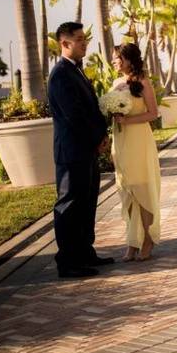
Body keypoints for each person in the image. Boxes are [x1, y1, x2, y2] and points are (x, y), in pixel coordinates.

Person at [47, 21, 112, 279]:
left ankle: (85, 253)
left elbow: (91, 109)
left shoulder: (77, 70)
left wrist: (101, 135)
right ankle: (68, 261)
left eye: (85, 38)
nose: (85, 42)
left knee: (87, 203)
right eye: (79, 39)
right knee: (69, 206)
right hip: (72, 152)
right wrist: (97, 137)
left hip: (86, 150)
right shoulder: (61, 74)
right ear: (65, 43)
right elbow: (73, 115)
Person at [110, 43, 161, 262]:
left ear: (128, 59)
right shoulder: (115, 83)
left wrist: (127, 119)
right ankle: (132, 242)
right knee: (127, 191)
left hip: (139, 141)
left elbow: (153, 113)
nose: (113, 61)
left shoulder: (142, 82)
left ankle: (147, 240)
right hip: (120, 141)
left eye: (117, 58)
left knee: (142, 188)